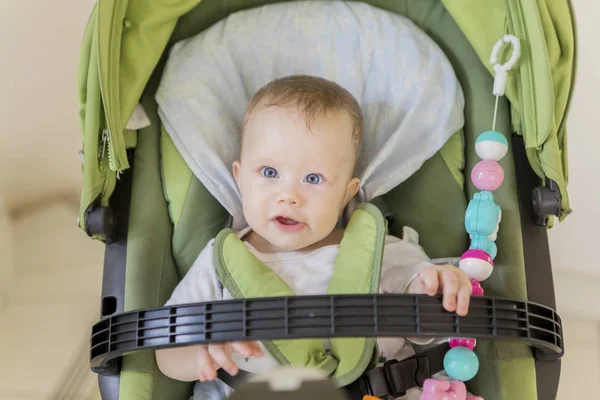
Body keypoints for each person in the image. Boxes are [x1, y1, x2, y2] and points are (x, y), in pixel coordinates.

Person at [156, 75, 472, 399]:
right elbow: (165, 353)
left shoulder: (379, 252)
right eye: (269, 173)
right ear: (239, 178)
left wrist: (439, 291)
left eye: (313, 178)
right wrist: (200, 353)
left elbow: (427, 327)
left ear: (346, 194)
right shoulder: (217, 263)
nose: (289, 196)